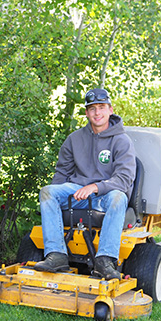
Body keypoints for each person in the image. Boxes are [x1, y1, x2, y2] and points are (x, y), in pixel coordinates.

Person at [33, 88, 136, 280]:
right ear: (87, 113)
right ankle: (56, 254)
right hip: (78, 193)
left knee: (118, 197)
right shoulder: (74, 139)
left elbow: (123, 179)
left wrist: (95, 187)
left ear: (110, 110)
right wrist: (59, 197)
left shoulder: (122, 141)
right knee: (48, 192)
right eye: (92, 108)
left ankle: (105, 261)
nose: (97, 113)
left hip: (106, 195)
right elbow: (62, 174)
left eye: (102, 107)